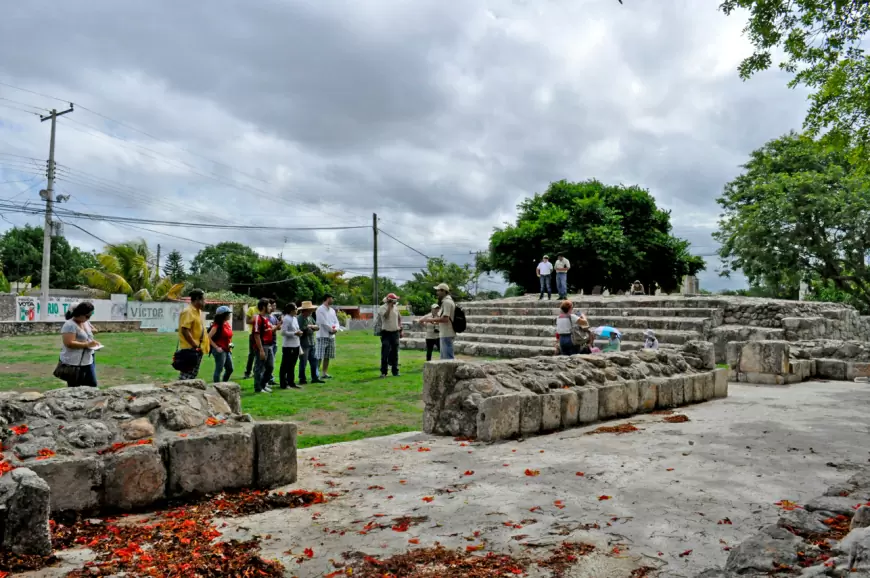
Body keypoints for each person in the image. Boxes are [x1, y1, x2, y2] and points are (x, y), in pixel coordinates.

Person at [59, 302, 100, 387]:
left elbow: (89, 336)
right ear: (79, 313)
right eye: (87, 316)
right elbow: (69, 343)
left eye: (90, 316)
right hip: (73, 363)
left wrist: (94, 344)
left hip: (87, 361)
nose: (88, 318)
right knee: (74, 388)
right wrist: (87, 345)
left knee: (92, 386)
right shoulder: (69, 325)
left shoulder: (85, 323)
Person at [177, 289, 210, 380]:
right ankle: (181, 392)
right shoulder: (188, 311)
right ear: (197, 299)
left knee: (192, 375)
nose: (205, 302)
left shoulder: (197, 311)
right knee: (186, 376)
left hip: (197, 348)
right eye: (203, 299)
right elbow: (185, 330)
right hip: (190, 349)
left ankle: (187, 392)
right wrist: (194, 345)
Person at [421, 283, 456, 360]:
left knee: (448, 359)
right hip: (445, 333)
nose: (437, 293)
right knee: (444, 359)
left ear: (443, 291)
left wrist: (429, 319)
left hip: (447, 333)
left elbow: (445, 319)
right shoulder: (447, 301)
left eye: (438, 291)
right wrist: (435, 321)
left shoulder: (447, 302)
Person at [251, 298, 275, 393]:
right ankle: (258, 388)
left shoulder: (266, 318)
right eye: (269, 306)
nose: (271, 307)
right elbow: (256, 335)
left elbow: (268, 331)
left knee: (270, 366)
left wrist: (277, 326)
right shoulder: (258, 318)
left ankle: (263, 384)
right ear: (264, 307)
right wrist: (260, 350)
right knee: (259, 367)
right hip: (262, 346)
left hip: (269, 346)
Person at [297, 301, 323, 384]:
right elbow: (302, 330)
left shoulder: (310, 317)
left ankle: (315, 377)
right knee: (303, 362)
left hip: (312, 342)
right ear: (305, 310)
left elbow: (317, 327)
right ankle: (302, 378)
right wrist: (309, 328)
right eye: (310, 310)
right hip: (304, 343)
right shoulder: (299, 318)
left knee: (314, 361)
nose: (311, 311)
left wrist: (310, 326)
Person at [378, 293, 403, 378]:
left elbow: (399, 317)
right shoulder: (382, 308)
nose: (395, 302)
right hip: (386, 333)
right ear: (389, 300)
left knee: (395, 352)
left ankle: (395, 371)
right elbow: (386, 316)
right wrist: (389, 306)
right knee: (385, 352)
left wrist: (400, 326)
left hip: (395, 332)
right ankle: (383, 372)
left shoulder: (396, 308)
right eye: (393, 300)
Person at [279, 303, 303, 389]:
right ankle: (283, 383)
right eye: (296, 309)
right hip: (288, 346)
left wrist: (299, 332)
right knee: (286, 365)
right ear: (291, 310)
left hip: (296, 344)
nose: (297, 310)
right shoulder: (286, 319)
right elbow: (283, 332)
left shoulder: (295, 319)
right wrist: (294, 333)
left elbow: (296, 329)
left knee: (292, 365)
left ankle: (291, 382)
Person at [208, 305, 234, 383]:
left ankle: (224, 384)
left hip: (227, 349)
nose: (229, 315)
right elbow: (207, 338)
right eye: (228, 313)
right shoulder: (216, 326)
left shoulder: (227, 324)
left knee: (230, 369)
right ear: (223, 315)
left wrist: (231, 347)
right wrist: (216, 347)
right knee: (219, 369)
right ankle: (217, 387)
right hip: (220, 351)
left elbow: (229, 337)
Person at [316, 294, 339, 379]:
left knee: (327, 356)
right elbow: (323, 322)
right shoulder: (320, 309)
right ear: (327, 298)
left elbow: (336, 321)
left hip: (331, 337)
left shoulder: (332, 310)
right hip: (322, 335)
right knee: (319, 356)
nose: (333, 300)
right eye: (332, 298)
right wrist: (331, 330)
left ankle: (324, 373)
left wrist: (336, 328)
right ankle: (316, 373)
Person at [242, 300, 260, 380]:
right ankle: (247, 372)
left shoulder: (264, 310)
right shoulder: (252, 309)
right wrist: (256, 319)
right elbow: (247, 321)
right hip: (253, 334)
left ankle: (256, 372)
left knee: (259, 355)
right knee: (252, 354)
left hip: (262, 335)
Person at [267, 298, 281, 386]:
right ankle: (267, 380)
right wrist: (278, 325)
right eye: (273, 305)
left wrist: (278, 325)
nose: (275, 307)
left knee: (271, 362)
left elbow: (277, 328)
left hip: (274, 341)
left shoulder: (273, 316)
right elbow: (271, 330)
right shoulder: (266, 317)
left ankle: (270, 378)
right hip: (268, 342)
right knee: (268, 363)